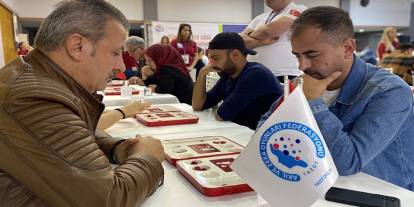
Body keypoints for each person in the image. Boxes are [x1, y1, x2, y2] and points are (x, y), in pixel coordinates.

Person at [0, 1, 165, 206]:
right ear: (78, 46)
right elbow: (110, 198)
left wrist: (116, 148)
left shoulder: (35, 80)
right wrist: (147, 156)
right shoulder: (32, 99)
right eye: (115, 52)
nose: (120, 65)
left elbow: (67, 133)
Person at [259, 6, 414, 191]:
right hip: (314, 185)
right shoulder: (303, 81)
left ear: (348, 48)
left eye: (311, 55)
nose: (302, 66)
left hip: (378, 192)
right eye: (297, 56)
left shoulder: (390, 92)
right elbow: (263, 129)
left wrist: (312, 102)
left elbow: (348, 163)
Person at [192, 32, 283, 130]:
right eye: (210, 58)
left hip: (261, 138)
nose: (211, 64)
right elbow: (198, 106)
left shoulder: (256, 74)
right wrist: (202, 73)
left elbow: (222, 115)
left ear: (235, 55)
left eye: (215, 58)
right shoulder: (228, 75)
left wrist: (220, 111)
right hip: (244, 133)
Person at [240, 0, 307, 82]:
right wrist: (260, 42)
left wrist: (249, 36)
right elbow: (240, 41)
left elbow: (268, 31)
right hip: (253, 73)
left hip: (283, 75)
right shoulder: (260, 18)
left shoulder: (299, 9)